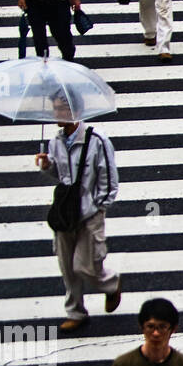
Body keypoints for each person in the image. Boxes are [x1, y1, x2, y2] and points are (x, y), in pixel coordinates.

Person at [34, 92, 120, 332]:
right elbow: (60, 176)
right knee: (66, 265)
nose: (57, 114)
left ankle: (111, 284)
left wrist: (100, 206)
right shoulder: (56, 142)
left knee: (86, 265)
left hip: (90, 212)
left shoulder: (97, 140)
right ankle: (76, 311)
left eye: (61, 109)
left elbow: (109, 177)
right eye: (55, 109)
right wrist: (47, 165)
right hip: (65, 213)